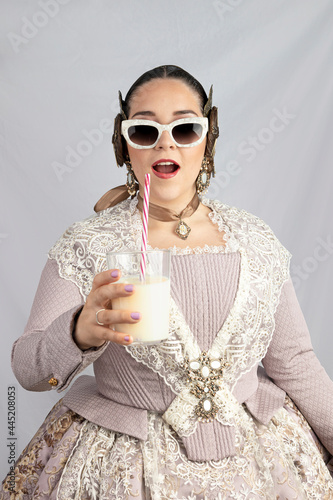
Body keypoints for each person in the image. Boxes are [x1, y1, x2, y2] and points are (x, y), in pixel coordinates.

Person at [1, 64, 333, 499]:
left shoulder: (255, 239)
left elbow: (295, 362)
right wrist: (78, 332)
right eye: (145, 131)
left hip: (258, 468)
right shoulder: (88, 243)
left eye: (185, 128)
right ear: (125, 145)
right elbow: (28, 370)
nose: (165, 142)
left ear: (207, 139)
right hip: (124, 469)